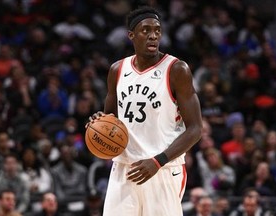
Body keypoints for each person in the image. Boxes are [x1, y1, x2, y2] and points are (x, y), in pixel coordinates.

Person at [86, 6, 203, 216]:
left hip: (162, 169)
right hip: (124, 168)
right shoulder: (117, 70)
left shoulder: (177, 70)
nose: (153, 36)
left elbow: (195, 129)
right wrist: (99, 121)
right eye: (146, 30)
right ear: (131, 35)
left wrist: (159, 160)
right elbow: (111, 118)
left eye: (157, 30)